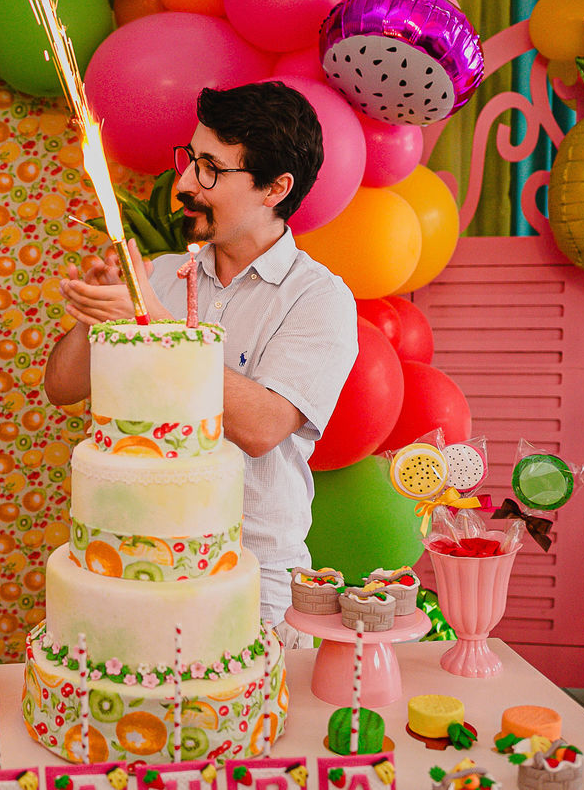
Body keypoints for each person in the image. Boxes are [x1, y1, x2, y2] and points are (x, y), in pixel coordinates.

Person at [44, 82, 359, 646]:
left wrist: (155, 325)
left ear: (275, 188)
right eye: (190, 160)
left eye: (211, 168)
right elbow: (62, 388)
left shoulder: (317, 299)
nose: (186, 183)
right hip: (135, 565)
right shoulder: (162, 275)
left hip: (252, 578)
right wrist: (94, 319)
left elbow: (263, 427)